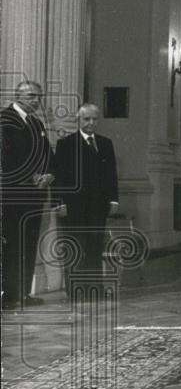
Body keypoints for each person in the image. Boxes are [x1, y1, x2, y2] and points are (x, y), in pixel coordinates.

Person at [53, 103, 119, 296]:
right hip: (73, 207)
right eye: (86, 119)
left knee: (94, 246)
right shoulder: (66, 144)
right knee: (75, 246)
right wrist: (60, 203)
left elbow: (111, 174)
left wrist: (114, 200)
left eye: (94, 119)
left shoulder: (105, 143)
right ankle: (76, 291)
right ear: (78, 120)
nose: (91, 123)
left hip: (98, 206)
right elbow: (59, 177)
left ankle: (95, 289)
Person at [1, 80, 54, 310]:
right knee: (13, 243)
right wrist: (29, 175)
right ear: (18, 95)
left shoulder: (37, 123)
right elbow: (5, 157)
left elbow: (48, 154)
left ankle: (23, 292)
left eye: (38, 96)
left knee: (30, 242)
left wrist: (49, 174)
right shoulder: (5, 119)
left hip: (35, 195)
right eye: (31, 95)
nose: (36, 100)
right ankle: (10, 294)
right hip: (13, 194)